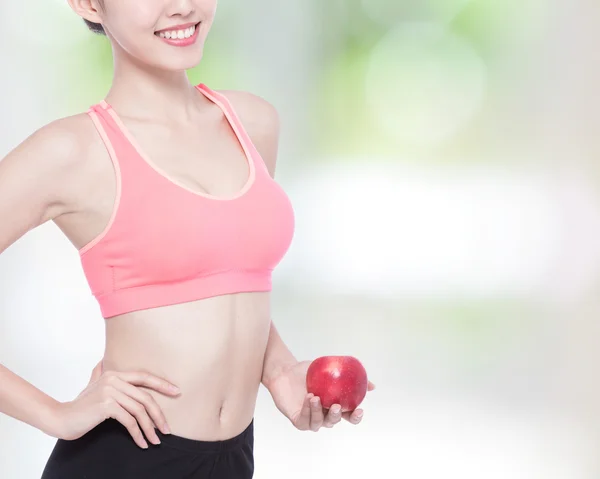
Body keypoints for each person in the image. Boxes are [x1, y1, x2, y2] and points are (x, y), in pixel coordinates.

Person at [0, 1, 375, 478]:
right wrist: (53, 413)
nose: (182, 6)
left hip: (233, 459)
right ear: (89, 4)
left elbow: (229, 277)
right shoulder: (70, 152)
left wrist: (280, 370)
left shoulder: (252, 123)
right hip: (121, 460)